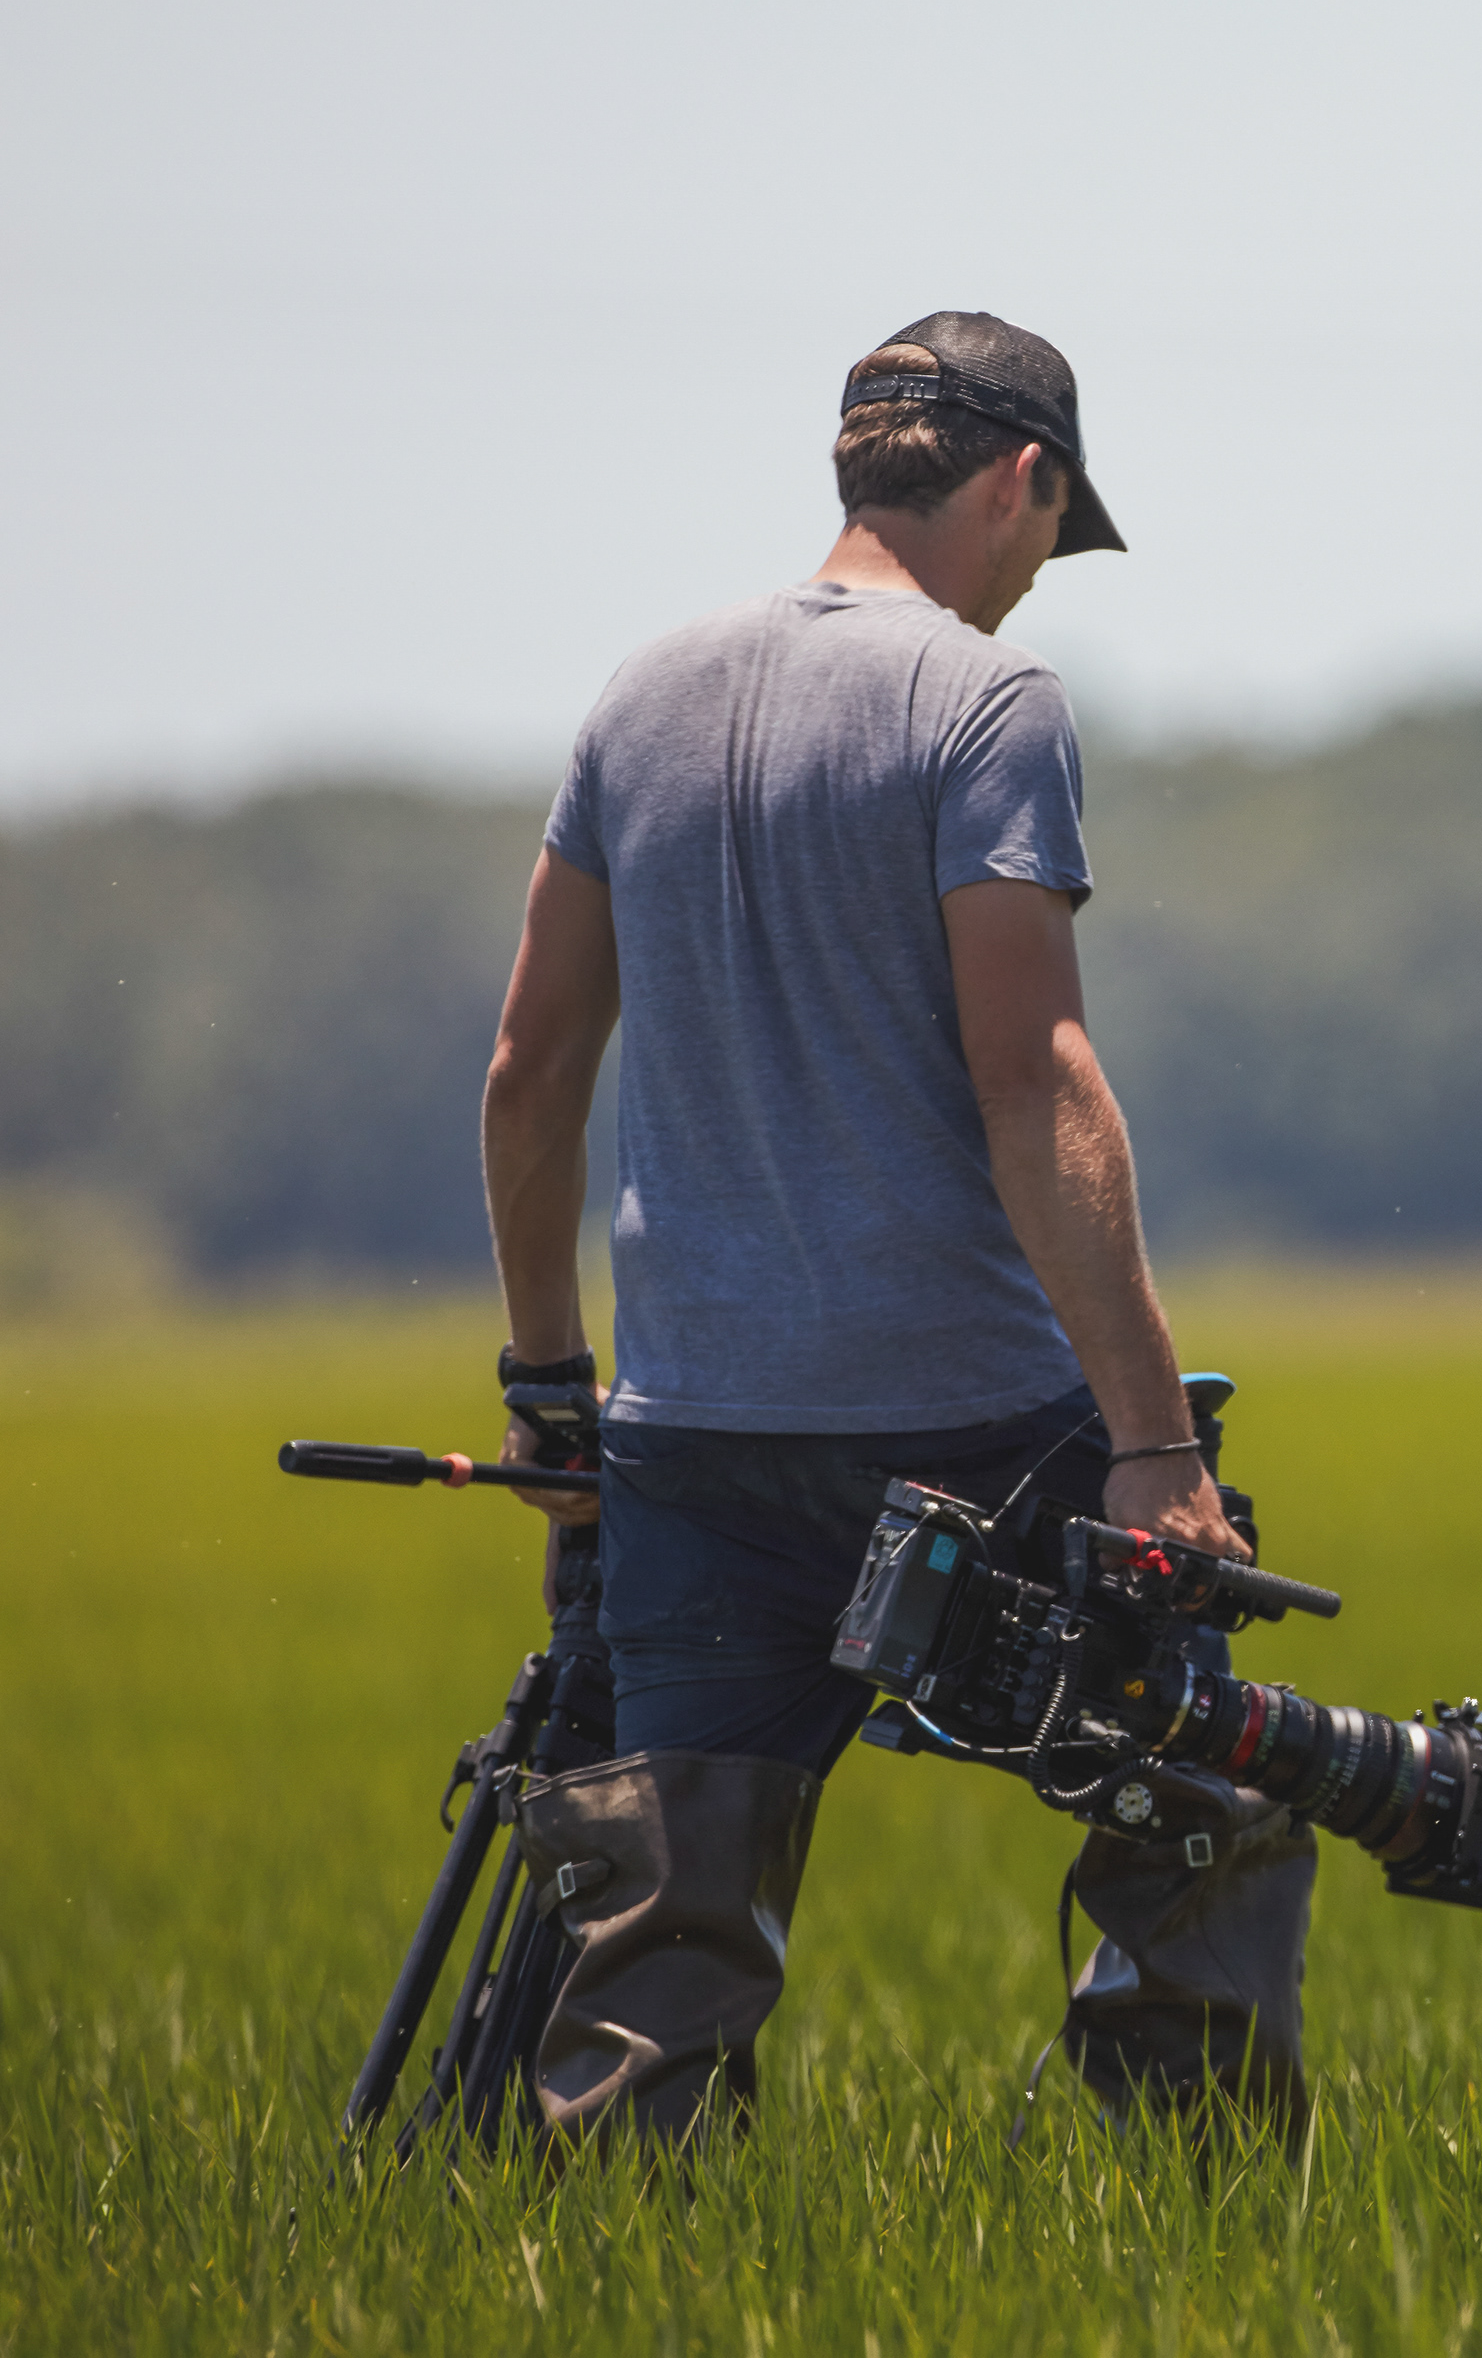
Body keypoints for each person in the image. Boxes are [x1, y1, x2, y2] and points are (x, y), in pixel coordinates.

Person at [476, 310, 1314, 2145]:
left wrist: (554, 1393)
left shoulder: (642, 697)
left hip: (691, 1439)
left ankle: (602, 2267)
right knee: (1203, 1800)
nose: (1033, 583)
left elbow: (532, 1073)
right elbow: (1036, 1078)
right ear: (1025, 482)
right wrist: (1157, 1447)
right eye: (1050, 533)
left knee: (661, 1915)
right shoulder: (983, 701)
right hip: (972, 1431)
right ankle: (1194, 2215)